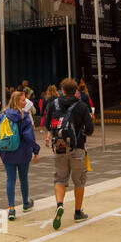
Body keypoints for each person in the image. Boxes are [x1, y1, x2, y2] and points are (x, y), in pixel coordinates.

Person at [43, 78, 94, 229]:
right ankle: (78, 212)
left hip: (59, 147)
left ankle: (60, 204)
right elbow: (90, 129)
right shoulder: (82, 106)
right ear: (76, 90)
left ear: (62, 90)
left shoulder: (53, 104)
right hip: (77, 147)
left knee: (59, 178)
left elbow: (47, 125)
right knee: (79, 180)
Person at [0, 90, 40, 221]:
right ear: (17, 101)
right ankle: (25, 203)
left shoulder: (2, 116)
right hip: (23, 152)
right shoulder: (24, 117)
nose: (26, 102)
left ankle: (12, 208)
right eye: (23, 100)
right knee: (23, 178)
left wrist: (0, 151)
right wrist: (36, 150)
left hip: (8, 153)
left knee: (10, 180)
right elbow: (29, 137)